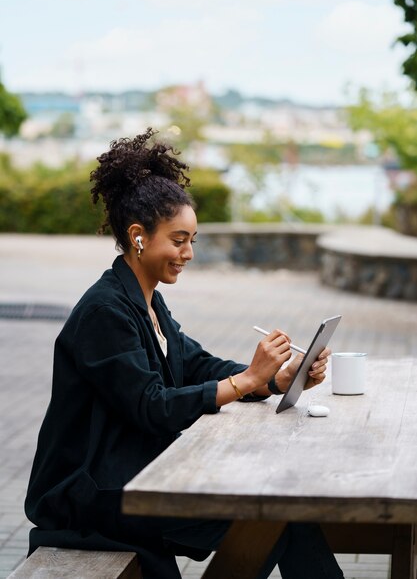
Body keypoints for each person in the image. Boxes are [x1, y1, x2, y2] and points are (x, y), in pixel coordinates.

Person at [25, 128, 344, 579]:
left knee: (281, 514)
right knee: (273, 517)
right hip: (91, 491)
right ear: (138, 237)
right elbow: (151, 405)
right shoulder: (104, 311)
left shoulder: (146, 300)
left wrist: (276, 378)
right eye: (178, 240)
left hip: (136, 479)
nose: (189, 253)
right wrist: (246, 381)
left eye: (192, 240)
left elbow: (195, 364)